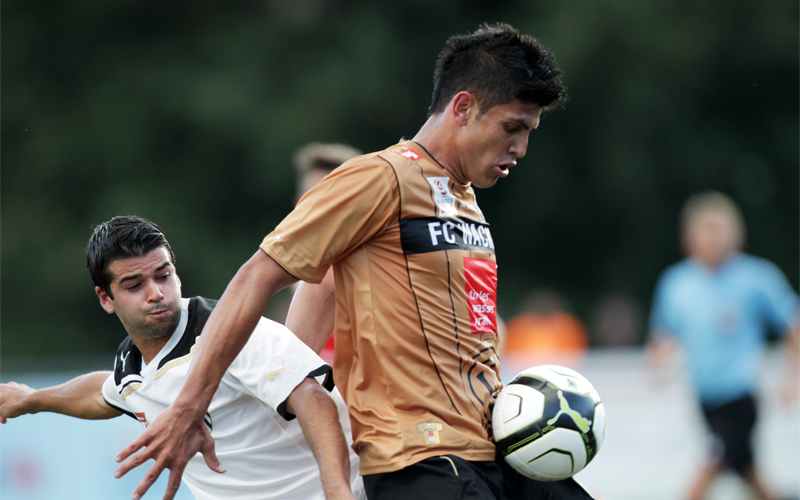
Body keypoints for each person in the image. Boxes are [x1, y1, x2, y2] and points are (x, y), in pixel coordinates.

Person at [115, 23, 594, 500]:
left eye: (528, 132)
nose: (521, 148)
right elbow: (258, 275)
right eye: (513, 127)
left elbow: (323, 291)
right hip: (424, 461)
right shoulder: (378, 178)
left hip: (495, 452)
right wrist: (189, 407)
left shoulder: (463, 196)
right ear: (464, 107)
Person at [0, 215, 364, 500]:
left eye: (164, 275)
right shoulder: (131, 366)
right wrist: (31, 400)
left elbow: (312, 398)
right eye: (134, 285)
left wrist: (337, 492)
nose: (156, 293)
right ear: (105, 299)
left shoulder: (229, 328)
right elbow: (104, 393)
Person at [647, 191, 800, 500]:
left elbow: (792, 325)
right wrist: (659, 360)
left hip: (740, 397)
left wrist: (792, 377)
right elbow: (662, 335)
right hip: (705, 398)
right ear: (690, 237)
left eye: (720, 231)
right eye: (706, 231)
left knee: (711, 467)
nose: (713, 240)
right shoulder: (676, 283)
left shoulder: (756, 277)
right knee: (748, 473)